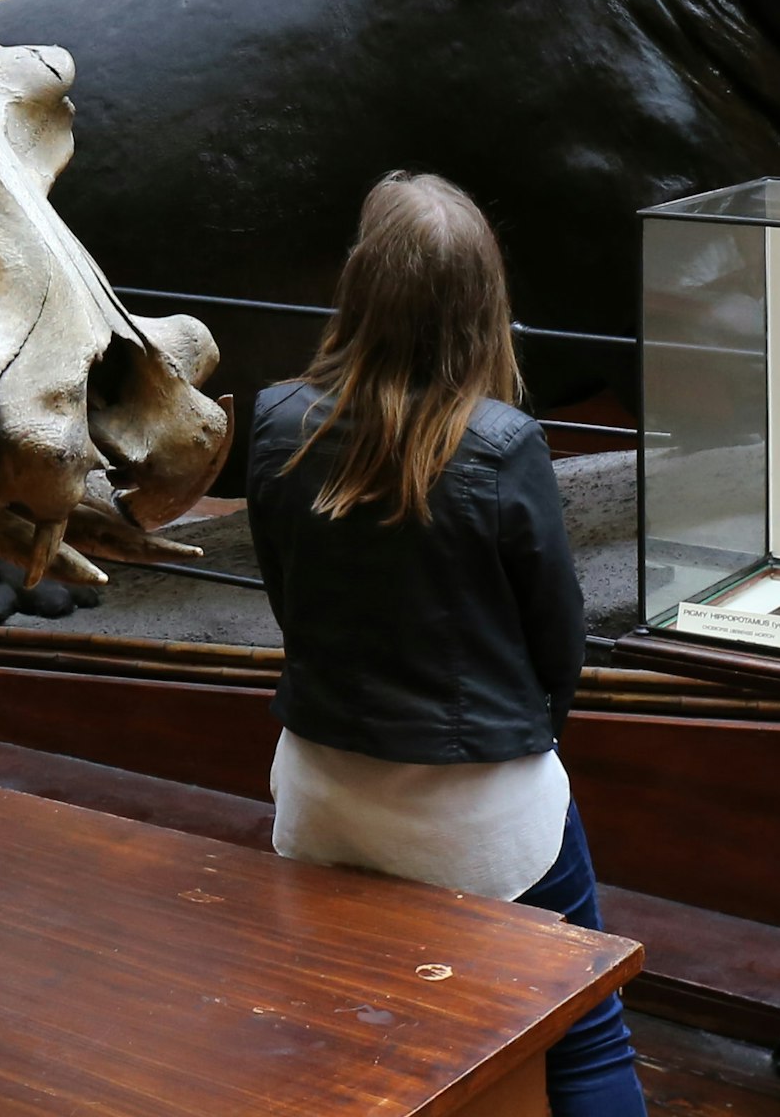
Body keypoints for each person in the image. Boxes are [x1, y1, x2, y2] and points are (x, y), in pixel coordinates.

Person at [251, 173, 641, 1117]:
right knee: (584, 1036)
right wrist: (516, 741)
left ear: (359, 283)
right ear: (483, 303)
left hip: (325, 794)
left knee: (348, 1031)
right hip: (482, 817)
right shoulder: (505, 444)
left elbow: (289, 601)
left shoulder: (272, 420)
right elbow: (560, 645)